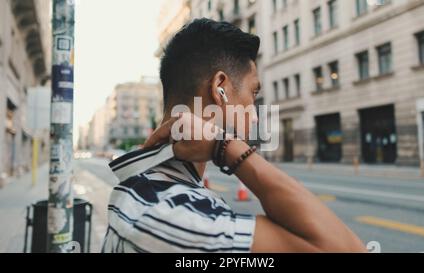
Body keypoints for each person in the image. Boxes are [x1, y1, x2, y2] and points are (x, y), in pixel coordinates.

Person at [102, 18, 366, 253]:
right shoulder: (173, 213)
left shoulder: (148, 190)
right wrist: (225, 146)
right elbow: (345, 248)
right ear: (221, 89)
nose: (255, 115)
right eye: (253, 93)